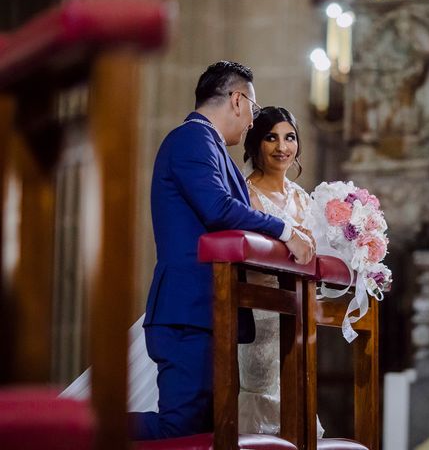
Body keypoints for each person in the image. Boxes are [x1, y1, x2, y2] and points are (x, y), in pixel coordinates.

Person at [61, 90, 317, 439]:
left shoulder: (210, 146)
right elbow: (218, 209)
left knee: (208, 426)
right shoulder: (193, 139)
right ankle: (65, 430)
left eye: (288, 137)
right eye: (253, 112)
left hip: (213, 311)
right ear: (238, 100)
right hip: (189, 310)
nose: (251, 122)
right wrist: (285, 230)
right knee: (179, 424)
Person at [238, 106, 324, 437]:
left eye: (289, 138)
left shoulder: (303, 197)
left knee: (297, 403)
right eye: (271, 138)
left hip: (300, 316)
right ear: (256, 144)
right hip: (261, 314)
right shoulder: (246, 192)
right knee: (261, 401)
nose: (281, 147)